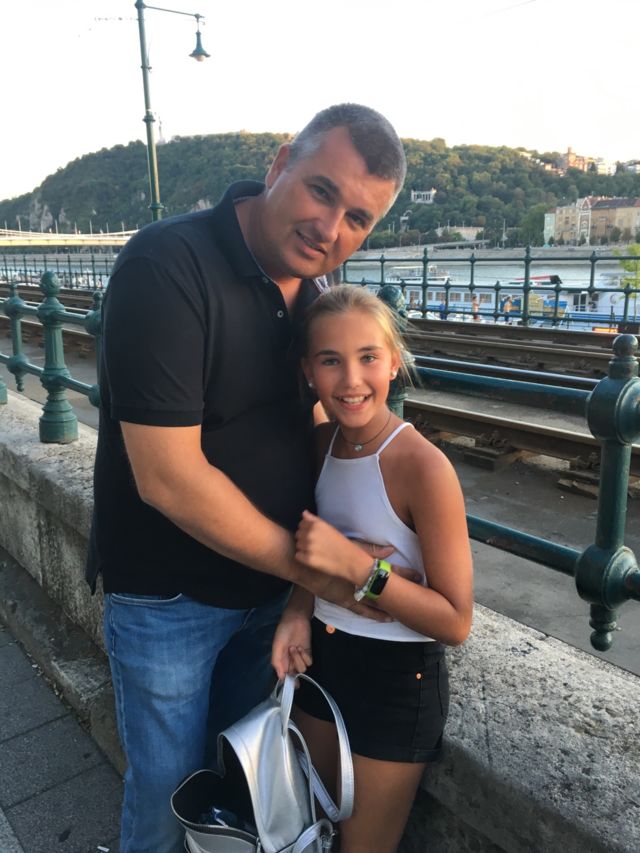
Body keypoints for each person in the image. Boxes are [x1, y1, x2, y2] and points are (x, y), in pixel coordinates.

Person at [85, 104, 407, 853]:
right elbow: (167, 478)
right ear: (279, 163)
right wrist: (314, 570)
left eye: (358, 218)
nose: (330, 228)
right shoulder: (168, 265)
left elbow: (326, 431)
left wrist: (309, 584)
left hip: (265, 602)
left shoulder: (317, 296)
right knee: (167, 798)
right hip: (169, 598)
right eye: (321, 191)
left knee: (234, 797)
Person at [272, 286, 473, 853]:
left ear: (393, 362)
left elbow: (455, 621)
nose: (351, 380)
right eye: (330, 360)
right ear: (308, 371)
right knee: (312, 834)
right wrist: (297, 610)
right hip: (322, 659)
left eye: (367, 357)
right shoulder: (320, 445)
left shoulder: (422, 467)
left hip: (396, 682)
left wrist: (361, 568)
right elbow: (314, 558)